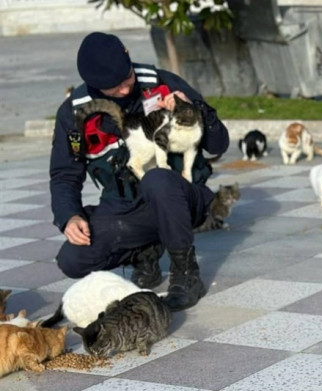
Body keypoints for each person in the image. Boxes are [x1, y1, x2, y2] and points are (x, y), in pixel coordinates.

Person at [49, 32, 229, 312]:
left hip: (182, 198)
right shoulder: (75, 115)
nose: (124, 89)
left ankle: (186, 275)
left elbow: (220, 143)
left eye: (127, 78)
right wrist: (69, 216)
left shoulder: (161, 82)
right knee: (73, 259)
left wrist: (195, 112)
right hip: (128, 209)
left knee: (157, 179)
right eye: (113, 87)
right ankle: (144, 251)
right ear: (94, 86)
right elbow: (65, 174)